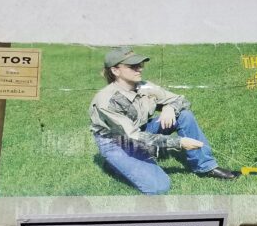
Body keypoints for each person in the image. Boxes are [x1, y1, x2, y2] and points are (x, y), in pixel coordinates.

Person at [89, 46, 238, 194]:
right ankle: (115, 164)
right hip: (118, 143)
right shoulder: (107, 101)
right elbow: (133, 136)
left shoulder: (144, 86)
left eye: (140, 64)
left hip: (141, 130)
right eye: (132, 66)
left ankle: (206, 167)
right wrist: (179, 143)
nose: (140, 69)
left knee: (184, 115)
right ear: (115, 71)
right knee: (159, 187)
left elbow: (181, 100)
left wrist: (169, 107)